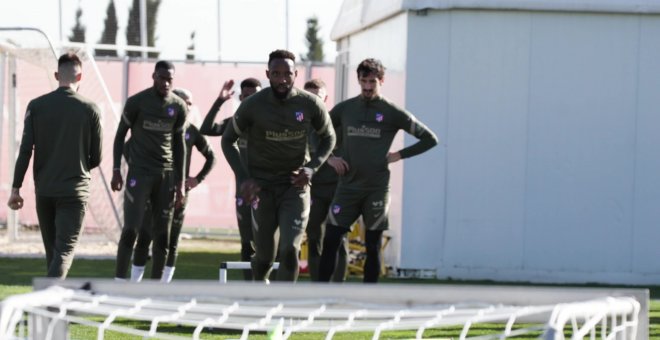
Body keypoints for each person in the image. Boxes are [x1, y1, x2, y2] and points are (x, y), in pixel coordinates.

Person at [319, 58, 439, 283]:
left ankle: (368, 301)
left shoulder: (391, 111)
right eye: (363, 81)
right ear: (358, 80)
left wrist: (398, 155)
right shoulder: (346, 109)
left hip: (376, 188)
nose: (367, 87)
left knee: (372, 245)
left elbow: (430, 139)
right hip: (347, 187)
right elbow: (317, 132)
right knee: (331, 239)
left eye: (372, 82)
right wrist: (330, 158)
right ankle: (321, 297)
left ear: (381, 81)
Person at [221, 49, 336, 282]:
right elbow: (227, 140)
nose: (282, 79)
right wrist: (244, 178)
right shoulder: (253, 105)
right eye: (276, 74)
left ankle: (281, 307)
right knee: (264, 256)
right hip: (262, 188)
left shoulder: (310, 103)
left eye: (287, 74)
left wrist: (311, 168)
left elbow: (329, 138)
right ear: (268, 74)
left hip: (295, 186)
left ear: (295, 74)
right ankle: (259, 286)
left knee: (290, 250)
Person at [7, 52, 103, 278]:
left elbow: (25, 151)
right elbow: (96, 158)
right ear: (80, 77)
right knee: (63, 253)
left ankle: (51, 310)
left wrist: (15, 189)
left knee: (53, 254)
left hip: (45, 191)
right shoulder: (90, 108)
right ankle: (44, 304)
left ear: (56, 74)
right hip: (74, 191)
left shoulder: (37, 105)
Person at [129, 88, 216, 282]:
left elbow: (211, 157)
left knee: (171, 240)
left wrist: (196, 179)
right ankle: (134, 283)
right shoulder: (157, 126)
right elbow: (128, 149)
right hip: (154, 189)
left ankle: (162, 285)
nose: (187, 106)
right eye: (184, 101)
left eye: (190, 103)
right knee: (144, 235)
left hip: (178, 194)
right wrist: (140, 173)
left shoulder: (191, 131)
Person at [111, 60, 187, 281]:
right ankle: (119, 282)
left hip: (166, 176)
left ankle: (154, 289)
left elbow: (180, 146)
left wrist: (180, 182)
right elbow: (119, 137)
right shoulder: (137, 102)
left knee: (161, 235)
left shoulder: (178, 106)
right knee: (131, 229)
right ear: (153, 76)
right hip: (139, 174)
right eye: (161, 78)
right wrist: (117, 170)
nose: (165, 83)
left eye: (169, 79)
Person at [200, 77, 262, 280]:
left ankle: (273, 287)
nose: (250, 101)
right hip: (243, 193)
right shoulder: (235, 124)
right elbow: (206, 129)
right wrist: (220, 101)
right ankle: (248, 287)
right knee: (247, 243)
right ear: (240, 99)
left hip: (269, 191)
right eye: (245, 97)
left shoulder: (273, 124)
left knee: (270, 242)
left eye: (255, 97)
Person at [302, 79, 348, 282]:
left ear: (325, 98)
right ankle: (317, 286)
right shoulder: (299, 125)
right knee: (314, 239)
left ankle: (337, 288)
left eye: (317, 97)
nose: (313, 102)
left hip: (339, 188)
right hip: (312, 189)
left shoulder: (336, 123)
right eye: (309, 98)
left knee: (338, 237)